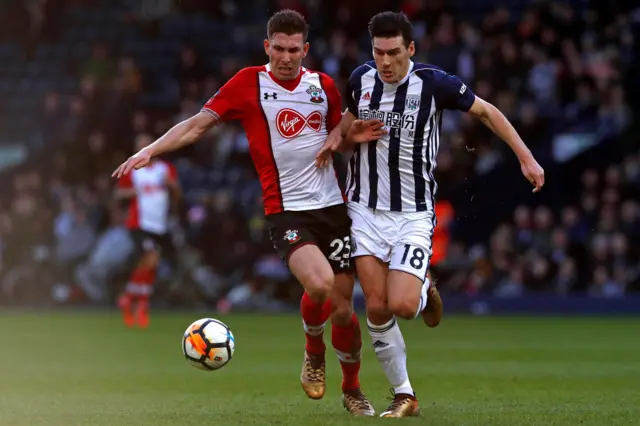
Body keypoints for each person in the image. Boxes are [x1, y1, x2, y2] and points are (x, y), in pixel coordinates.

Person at [112, 9, 375, 416]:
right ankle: (313, 352)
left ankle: (354, 390)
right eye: (279, 49)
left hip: (332, 207)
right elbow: (198, 124)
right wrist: (151, 149)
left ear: (305, 50)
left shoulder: (322, 86)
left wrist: (347, 135)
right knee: (320, 286)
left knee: (344, 309)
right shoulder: (247, 83)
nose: (286, 57)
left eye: (294, 50)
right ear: (266, 46)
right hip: (287, 211)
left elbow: (334, 136)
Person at [317, 11, 545, 418]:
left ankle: (425, 290)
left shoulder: (434, 83)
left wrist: (525, 158)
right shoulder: (359, 80)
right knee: (376, 305)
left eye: (393, 53)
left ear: (411, 49)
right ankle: (404, 395)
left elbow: (487, 112)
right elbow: (346, 125)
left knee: (403, 305)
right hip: (363, 210)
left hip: (413, 213)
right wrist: (342, 138)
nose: (385, 62)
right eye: (378, 52)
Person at [115, 133, 181, 328]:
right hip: (139, 223)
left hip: (158, 224)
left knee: (150, 263)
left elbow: (177, 193)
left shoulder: (164, 169)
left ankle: (130, 298)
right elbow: (118, 193)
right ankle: (140, 302)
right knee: (151, 257)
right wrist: (131, 192)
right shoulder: (133, 170)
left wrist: (172, 186)